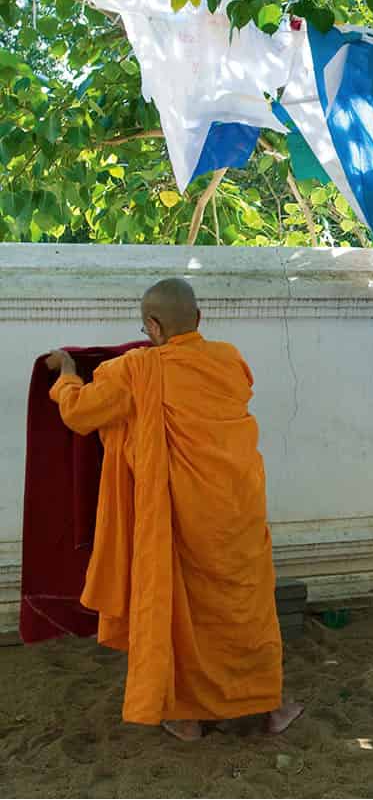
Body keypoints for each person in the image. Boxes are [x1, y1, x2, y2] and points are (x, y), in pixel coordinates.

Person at [44, 277, 303, 741]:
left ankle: (185, 717)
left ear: (152, 326)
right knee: (245, 608)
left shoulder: (138, 370)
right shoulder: (229, 362)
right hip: (237, 512)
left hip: (179, 518)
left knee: (181, 612)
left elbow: (81, 414)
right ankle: (269, 706)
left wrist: (66, 375)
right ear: (199, 320)